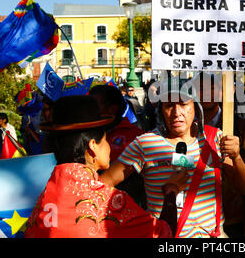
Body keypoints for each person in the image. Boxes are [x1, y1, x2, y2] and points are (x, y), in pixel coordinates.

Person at [100, 78, 245, 238]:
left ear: (196, 107)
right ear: (161, 110)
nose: (176, 112)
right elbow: (105, 183)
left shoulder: (214, 138)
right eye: (169, 105)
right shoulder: (145, 144)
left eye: (184, 104)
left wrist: (237, 157)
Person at [25, 95, 188, 238]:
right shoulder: (109, 202)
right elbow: (162, 234)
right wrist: (171, 192)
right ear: (93, 146)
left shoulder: (45, 199)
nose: (109, 146)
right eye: (105, 140)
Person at [195, 73, 245, 238]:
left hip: (233, 217)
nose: (206, 94)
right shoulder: (186, 127)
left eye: (212, 89)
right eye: (201, 89)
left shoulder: (240, 126)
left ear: (221, 93)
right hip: (196, 219)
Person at [89, 84, 147, 208]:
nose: (89, 110)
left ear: (112, 109)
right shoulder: (88, 135)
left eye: (94, 105)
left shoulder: (136, 137)